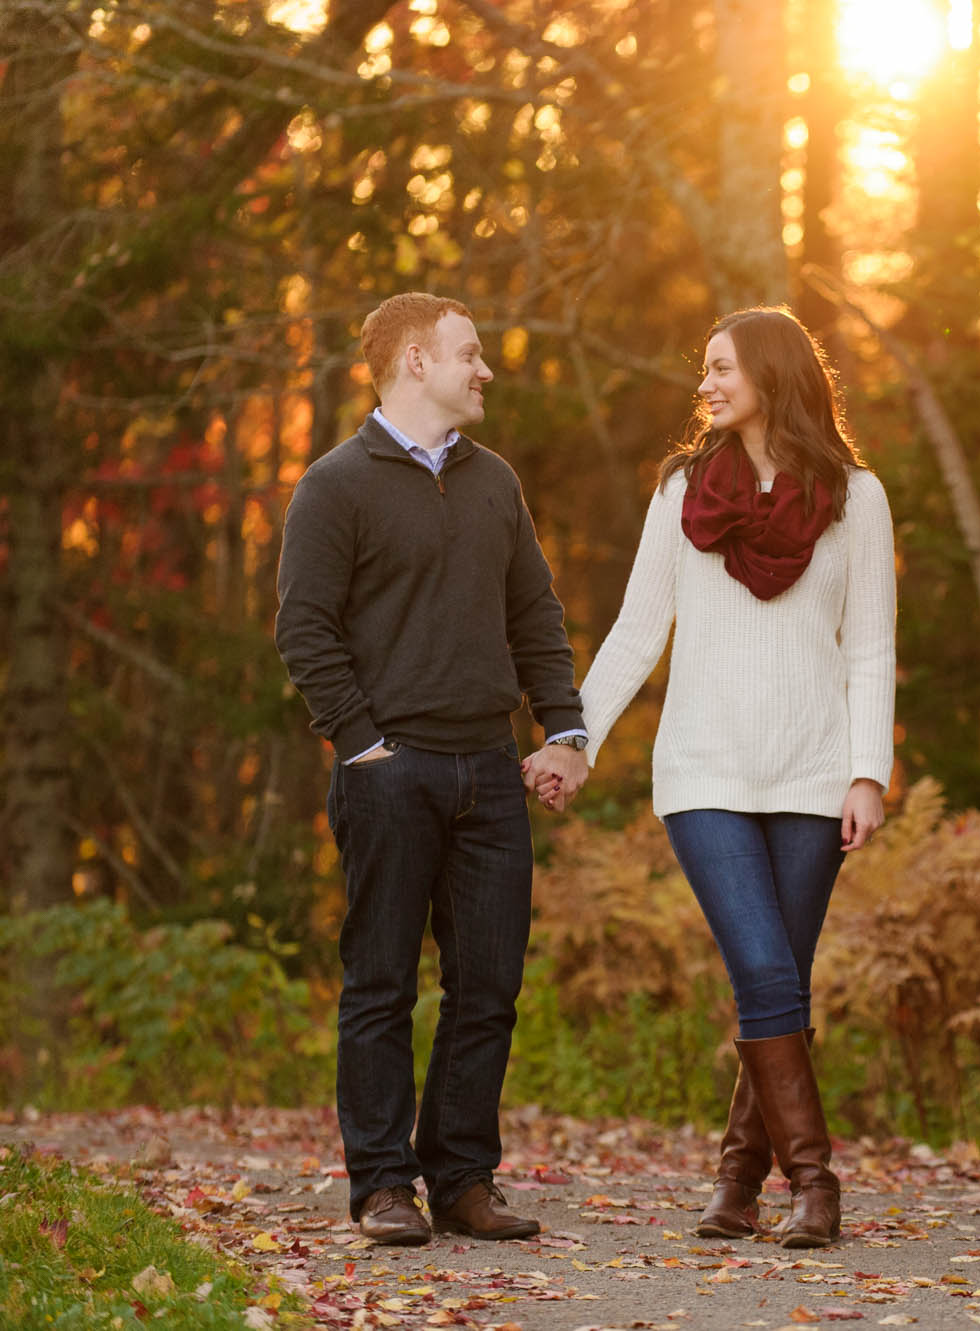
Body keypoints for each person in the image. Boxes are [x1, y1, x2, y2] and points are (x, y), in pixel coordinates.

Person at [544, 306, 895, 1249]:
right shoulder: (681, 492)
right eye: (703, 369)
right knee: (766, 971)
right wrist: (576, 738)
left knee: (779, 982)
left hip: (815, 773)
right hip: (703, 769)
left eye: (721, 367)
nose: (703, 384)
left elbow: (870, 645)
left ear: (772, 374)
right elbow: (636, 629)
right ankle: (815, 1184)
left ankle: (739, 1180)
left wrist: (868, 772)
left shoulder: (856, 498)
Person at [275, 292, 590, 1246]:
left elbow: (535, 614)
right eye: (469, 353)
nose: (485, 369)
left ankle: (461, 1178)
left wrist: (564, 728)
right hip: (390, 770)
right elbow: (305, 628)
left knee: (488, 987)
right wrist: (362, 743)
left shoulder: (495, 481)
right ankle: (382, 1184)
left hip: (490, 767)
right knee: (381, 985)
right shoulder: (335, 484)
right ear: (415, 360)